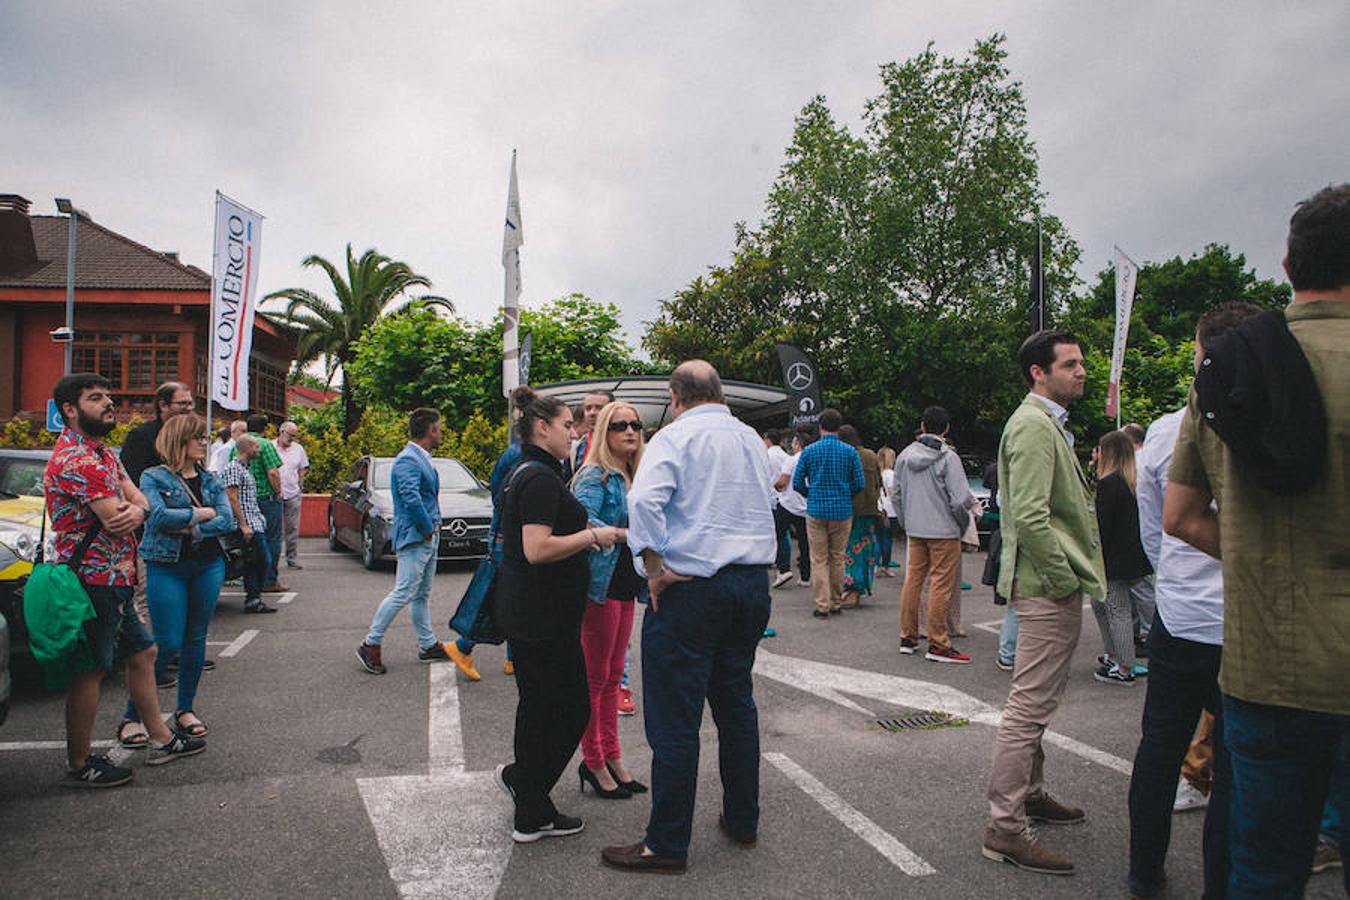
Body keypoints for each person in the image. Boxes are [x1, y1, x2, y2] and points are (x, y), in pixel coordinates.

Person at [1164, 183, 1349, 897]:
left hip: (1267, 661)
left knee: (1264, 871)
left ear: (1287, 264)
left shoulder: (1232, 366)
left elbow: (1180, 515)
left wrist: (1265, 559)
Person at [600, 360, 776, 875]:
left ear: (676, 398)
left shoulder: (675, 439)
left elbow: (645, 503)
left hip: (692, 589)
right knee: (736, 705)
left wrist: (652, 569)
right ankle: (743, 819)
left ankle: (666, 843)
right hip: (750, 585)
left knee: (676, 719)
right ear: (719, 393)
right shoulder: (749, 439)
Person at [1126, 301, 1261, 900]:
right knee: (1234, 764)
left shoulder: (1161, 432)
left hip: (1181, 617)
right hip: (1245, 619)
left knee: (1160, 747)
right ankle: (1221, 885)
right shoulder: (1272, 423)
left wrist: (1176, 578)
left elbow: (1154, 528)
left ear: (1200, 350)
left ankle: (1144, 872)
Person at [44, 373, 206, 787]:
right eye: (95, 398)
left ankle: (160, 737)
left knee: (144, 653)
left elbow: (137, 500)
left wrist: (139, 509)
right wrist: (137, 509)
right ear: (70, 410)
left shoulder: (104, 454)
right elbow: (116, 517)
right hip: (91, 580)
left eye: (108, 396)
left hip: (115, 575)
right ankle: (80, 764)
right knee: (91, 670)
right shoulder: (77, 459)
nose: (108, 403)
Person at [982, 331, 1105, 876]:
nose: (1081, 371)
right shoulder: (1033, 426)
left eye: (1081, 363)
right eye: (1070, 364)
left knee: (1036, 704)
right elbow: (1029, 516)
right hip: (1045, 588)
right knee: (1027, 710)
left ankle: (1029, 795)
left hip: (1045, 586)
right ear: (1039, 371)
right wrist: (1061, 578)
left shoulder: (1044, 423)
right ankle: (1005, 829)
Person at [493, 390, 619, 843]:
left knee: (538, 708)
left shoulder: (529, 471)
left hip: (533, 615)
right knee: (570, 709)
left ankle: (525, 788)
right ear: (541, 427)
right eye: (568, 425)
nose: (575, 432)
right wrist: (593, 536)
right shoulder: (540, 478)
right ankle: (530, 800)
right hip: (542, 619)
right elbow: (537, 548)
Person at [119, 413, 235, 745]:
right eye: (198, 437)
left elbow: (225, 520)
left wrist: (188, 525)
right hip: (164, 565)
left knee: (195, 639)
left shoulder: (210, 479)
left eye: (204, 437)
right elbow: (156, 518)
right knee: (166, 643)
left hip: (208, 564)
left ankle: (185, 709)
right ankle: (132, 715)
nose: (204, 442)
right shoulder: (153, 477)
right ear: (179, 440)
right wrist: (201, 514)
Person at [572, 400, 648, 799]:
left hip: (623, 586)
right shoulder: (595, 476)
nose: (630, 431)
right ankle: (595, 761)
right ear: (605, 431)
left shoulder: (635, 475)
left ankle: (614, 757)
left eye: (635, 424)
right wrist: (621, 534)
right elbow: (579, 521)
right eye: (620, 425)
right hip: (598, 587)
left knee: (614, 675)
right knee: (596, 679)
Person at [355, 409, 454, 674]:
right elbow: (411, 498)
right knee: (403, 592)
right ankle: (370, 644)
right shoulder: (408, 460)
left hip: (426, 534)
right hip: (417, 536)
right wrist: (426, 529)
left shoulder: (419, 457)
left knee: (420, 594)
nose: (441, 432)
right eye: (439, 428)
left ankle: (428, 644)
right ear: (430, 430)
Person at [895, 406, 975, 663]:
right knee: (941, 585)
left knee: (913, 581)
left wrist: (906, 521)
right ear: (947, 428)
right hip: (944, 529)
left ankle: (908, 636)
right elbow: (961, 499)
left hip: (915, 528)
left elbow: (895, 494)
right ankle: (938, 642)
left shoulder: (905, 455)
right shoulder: (948, 458)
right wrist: (960, 524)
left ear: (922, 424)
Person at [1090, 430, 1155, 685]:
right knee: (1105, 606)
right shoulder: (1133, 483)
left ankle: (1124, 666)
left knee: (1116, 609)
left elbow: (1103, 526)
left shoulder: (1109, 485)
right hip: (1134, 557)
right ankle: (1116, 656)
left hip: (1113, 559)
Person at [792, 408, 863, 619]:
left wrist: (811, 494)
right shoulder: (850, 452)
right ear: (839, 427)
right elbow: (859, 483)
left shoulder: (809, 451)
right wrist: (845, 495)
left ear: (820, 426)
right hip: (842, 511)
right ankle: (836, 601)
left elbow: (797, 483)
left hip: (816, 510)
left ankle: (822, 604)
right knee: (837, 558)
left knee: (819, 559)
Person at [219, 436, 278, 614]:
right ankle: (253, 598)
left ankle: (254, 598)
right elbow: (231, 497)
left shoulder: (246, 469)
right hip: (246, 525)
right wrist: (243, 525)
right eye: (256, 447)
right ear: (247, 448)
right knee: (260, 560)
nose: (258, 450)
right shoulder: (234, 469)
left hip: (255, 522)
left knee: (257, 562)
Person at [231, 414, 286, 593]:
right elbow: (273, 472)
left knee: (250, 545)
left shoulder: (237, 446)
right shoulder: (265, 445)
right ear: (265, 428)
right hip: (265, 499)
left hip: (244, 501)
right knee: (272, 539)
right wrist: (278, 492)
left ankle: (252, 582)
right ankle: (269, 579)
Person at [119, 381, 194, 486]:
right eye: (182, 404)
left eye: (190, 403)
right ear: (163, 405)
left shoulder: (192, 435)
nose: (189, 408)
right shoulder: (141, 436)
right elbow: (130, 477)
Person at [838, 425, 881, 607]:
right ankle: (861, 587)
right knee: (865, 551)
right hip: (870, 510)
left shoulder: (846, 455)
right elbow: (878, 483)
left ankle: (851, 590)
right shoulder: (871, 455)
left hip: (851, 510)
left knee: (849, 551)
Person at [773, 428, 813, 588]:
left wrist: (775, 486)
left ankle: (783, 569)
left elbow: (783, 482)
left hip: (788, 503)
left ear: (798, 444)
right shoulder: (811, 459)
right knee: (805, 543)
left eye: (794, 442)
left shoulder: (792, 459)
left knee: (778, 534)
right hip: (806, 506)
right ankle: (805, 577)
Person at [275, 421, 309, 570]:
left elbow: (302, 469)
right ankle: (273, 560)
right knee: (274, 529)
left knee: (292, 528)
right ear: (281, 431)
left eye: (294, 436)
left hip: (292, 493)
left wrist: (300, 487)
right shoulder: (271, 447)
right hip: (274, 493)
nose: (291, 439)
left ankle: (292, 558)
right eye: (290, 435)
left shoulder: (298, 449)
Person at [764, 429, 794, 589]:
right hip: (784, 498)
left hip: (770, 497)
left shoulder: (767, 455)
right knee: (784, 532)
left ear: (767, 439)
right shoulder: (786, 456)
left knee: (775, 533)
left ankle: (781, 565)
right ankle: (782, 563)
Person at [875, 446, 898, 578]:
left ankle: (876, 565)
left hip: (878, 508)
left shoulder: (877, 473)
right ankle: (885, 565)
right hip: (890, 510)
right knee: (887, 538)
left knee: (877, 538)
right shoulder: (891, 474)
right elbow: (892, 493)